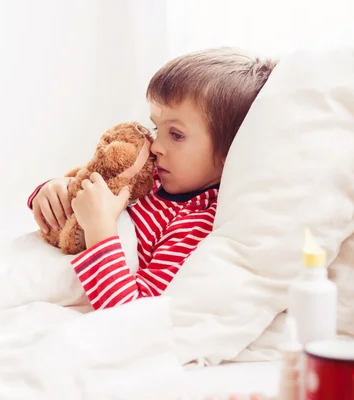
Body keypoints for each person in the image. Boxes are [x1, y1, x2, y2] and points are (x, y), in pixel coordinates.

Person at [27, 48, 277, 310]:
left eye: (176, 135)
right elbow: (88, 180)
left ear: (231, 152)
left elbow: (130, 309)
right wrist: (53, 190)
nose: (156, 145)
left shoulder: (197, 224)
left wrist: (100, 229)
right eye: (157, 128)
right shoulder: (153, 173)